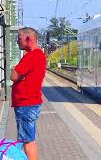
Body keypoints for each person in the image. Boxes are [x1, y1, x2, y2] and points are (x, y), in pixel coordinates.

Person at [10, 27, 47, 160]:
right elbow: (17, 75)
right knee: (26, 139)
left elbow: (13, 76)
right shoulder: (35, 55)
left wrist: (15, 70)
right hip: (28, 103)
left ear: (28, 39)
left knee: (28, 141)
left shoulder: (33, 56)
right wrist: (20, 74)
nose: (17, 42)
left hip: (26, 103)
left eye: (19, 38)